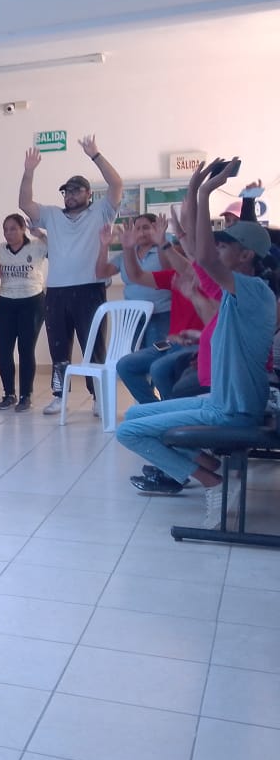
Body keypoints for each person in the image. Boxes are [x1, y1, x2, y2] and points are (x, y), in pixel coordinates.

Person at [116, 157, 279, 528]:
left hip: (233, 409)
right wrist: (193, 187)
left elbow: (202, 255)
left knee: (128, 432)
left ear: (246, 255)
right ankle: (215, 470)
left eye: (225, 247)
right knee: (136, 416)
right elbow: (196, 253)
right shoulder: (236, 292)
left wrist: (205, 192)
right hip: (223, 399)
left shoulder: (253, 291)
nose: (215, 252)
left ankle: (212, 482)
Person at [20, 134, 122, 415]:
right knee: (58, 350)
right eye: (67, 191)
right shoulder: (52, 215)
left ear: (89, 194)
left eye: (77, 190)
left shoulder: (101, 212)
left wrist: (95, 155)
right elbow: (25, 204)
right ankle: (59, 395)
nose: (71, 195)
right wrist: (28, 171)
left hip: (90, 290)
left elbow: (116, 185)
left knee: (94, 347)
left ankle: (98, 397)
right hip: (56, 292)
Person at [113, 220, 208, 406]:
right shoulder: (173, 276)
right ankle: (155, 409)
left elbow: (190, 269)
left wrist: (164, 243)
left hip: (195, 345)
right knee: (125, 365)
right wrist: (128, 249)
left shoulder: (208, 277)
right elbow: (136, 276)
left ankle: (170, 410)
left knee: (159, 369)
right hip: (170, 344)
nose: (177, 252)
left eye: (181, 249)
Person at [0, 214, 48, 411]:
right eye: (5, 229)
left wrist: (40, 234)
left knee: (26, 349)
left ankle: (26, 395)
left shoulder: (38, 246)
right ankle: (9, 394)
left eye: (13, 228)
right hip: (6, 303)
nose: (9, 233)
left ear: (23, 229)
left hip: (32, 302)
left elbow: (60, 248)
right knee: (4, 351)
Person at [96, 214, 172, 346]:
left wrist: (161, 241)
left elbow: (168, 270)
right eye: (137, 228)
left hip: (160, 314)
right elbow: (101, 273)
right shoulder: (126, 254)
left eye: (146, 227)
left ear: (156, 228)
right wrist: (104, 245)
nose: (141, 232)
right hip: (132, 316)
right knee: (133, 355)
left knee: (156, 354)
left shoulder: (164, 250)